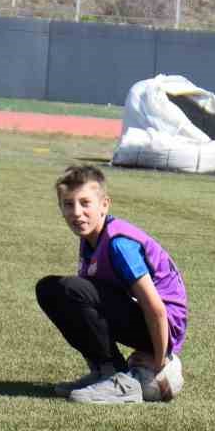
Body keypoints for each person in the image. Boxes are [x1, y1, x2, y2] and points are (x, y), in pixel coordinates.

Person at [37, 164, 188, 404]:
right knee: (49, 289)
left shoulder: (119, 245)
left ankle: (120, 379)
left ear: (104, 204)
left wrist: (158, 361)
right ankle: (103, 372)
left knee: (72, 290)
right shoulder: (90, 239)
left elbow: (156, 308)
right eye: (68, 204)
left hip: (162, 326)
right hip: (142, 317)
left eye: (85, 203)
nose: (76, 212)